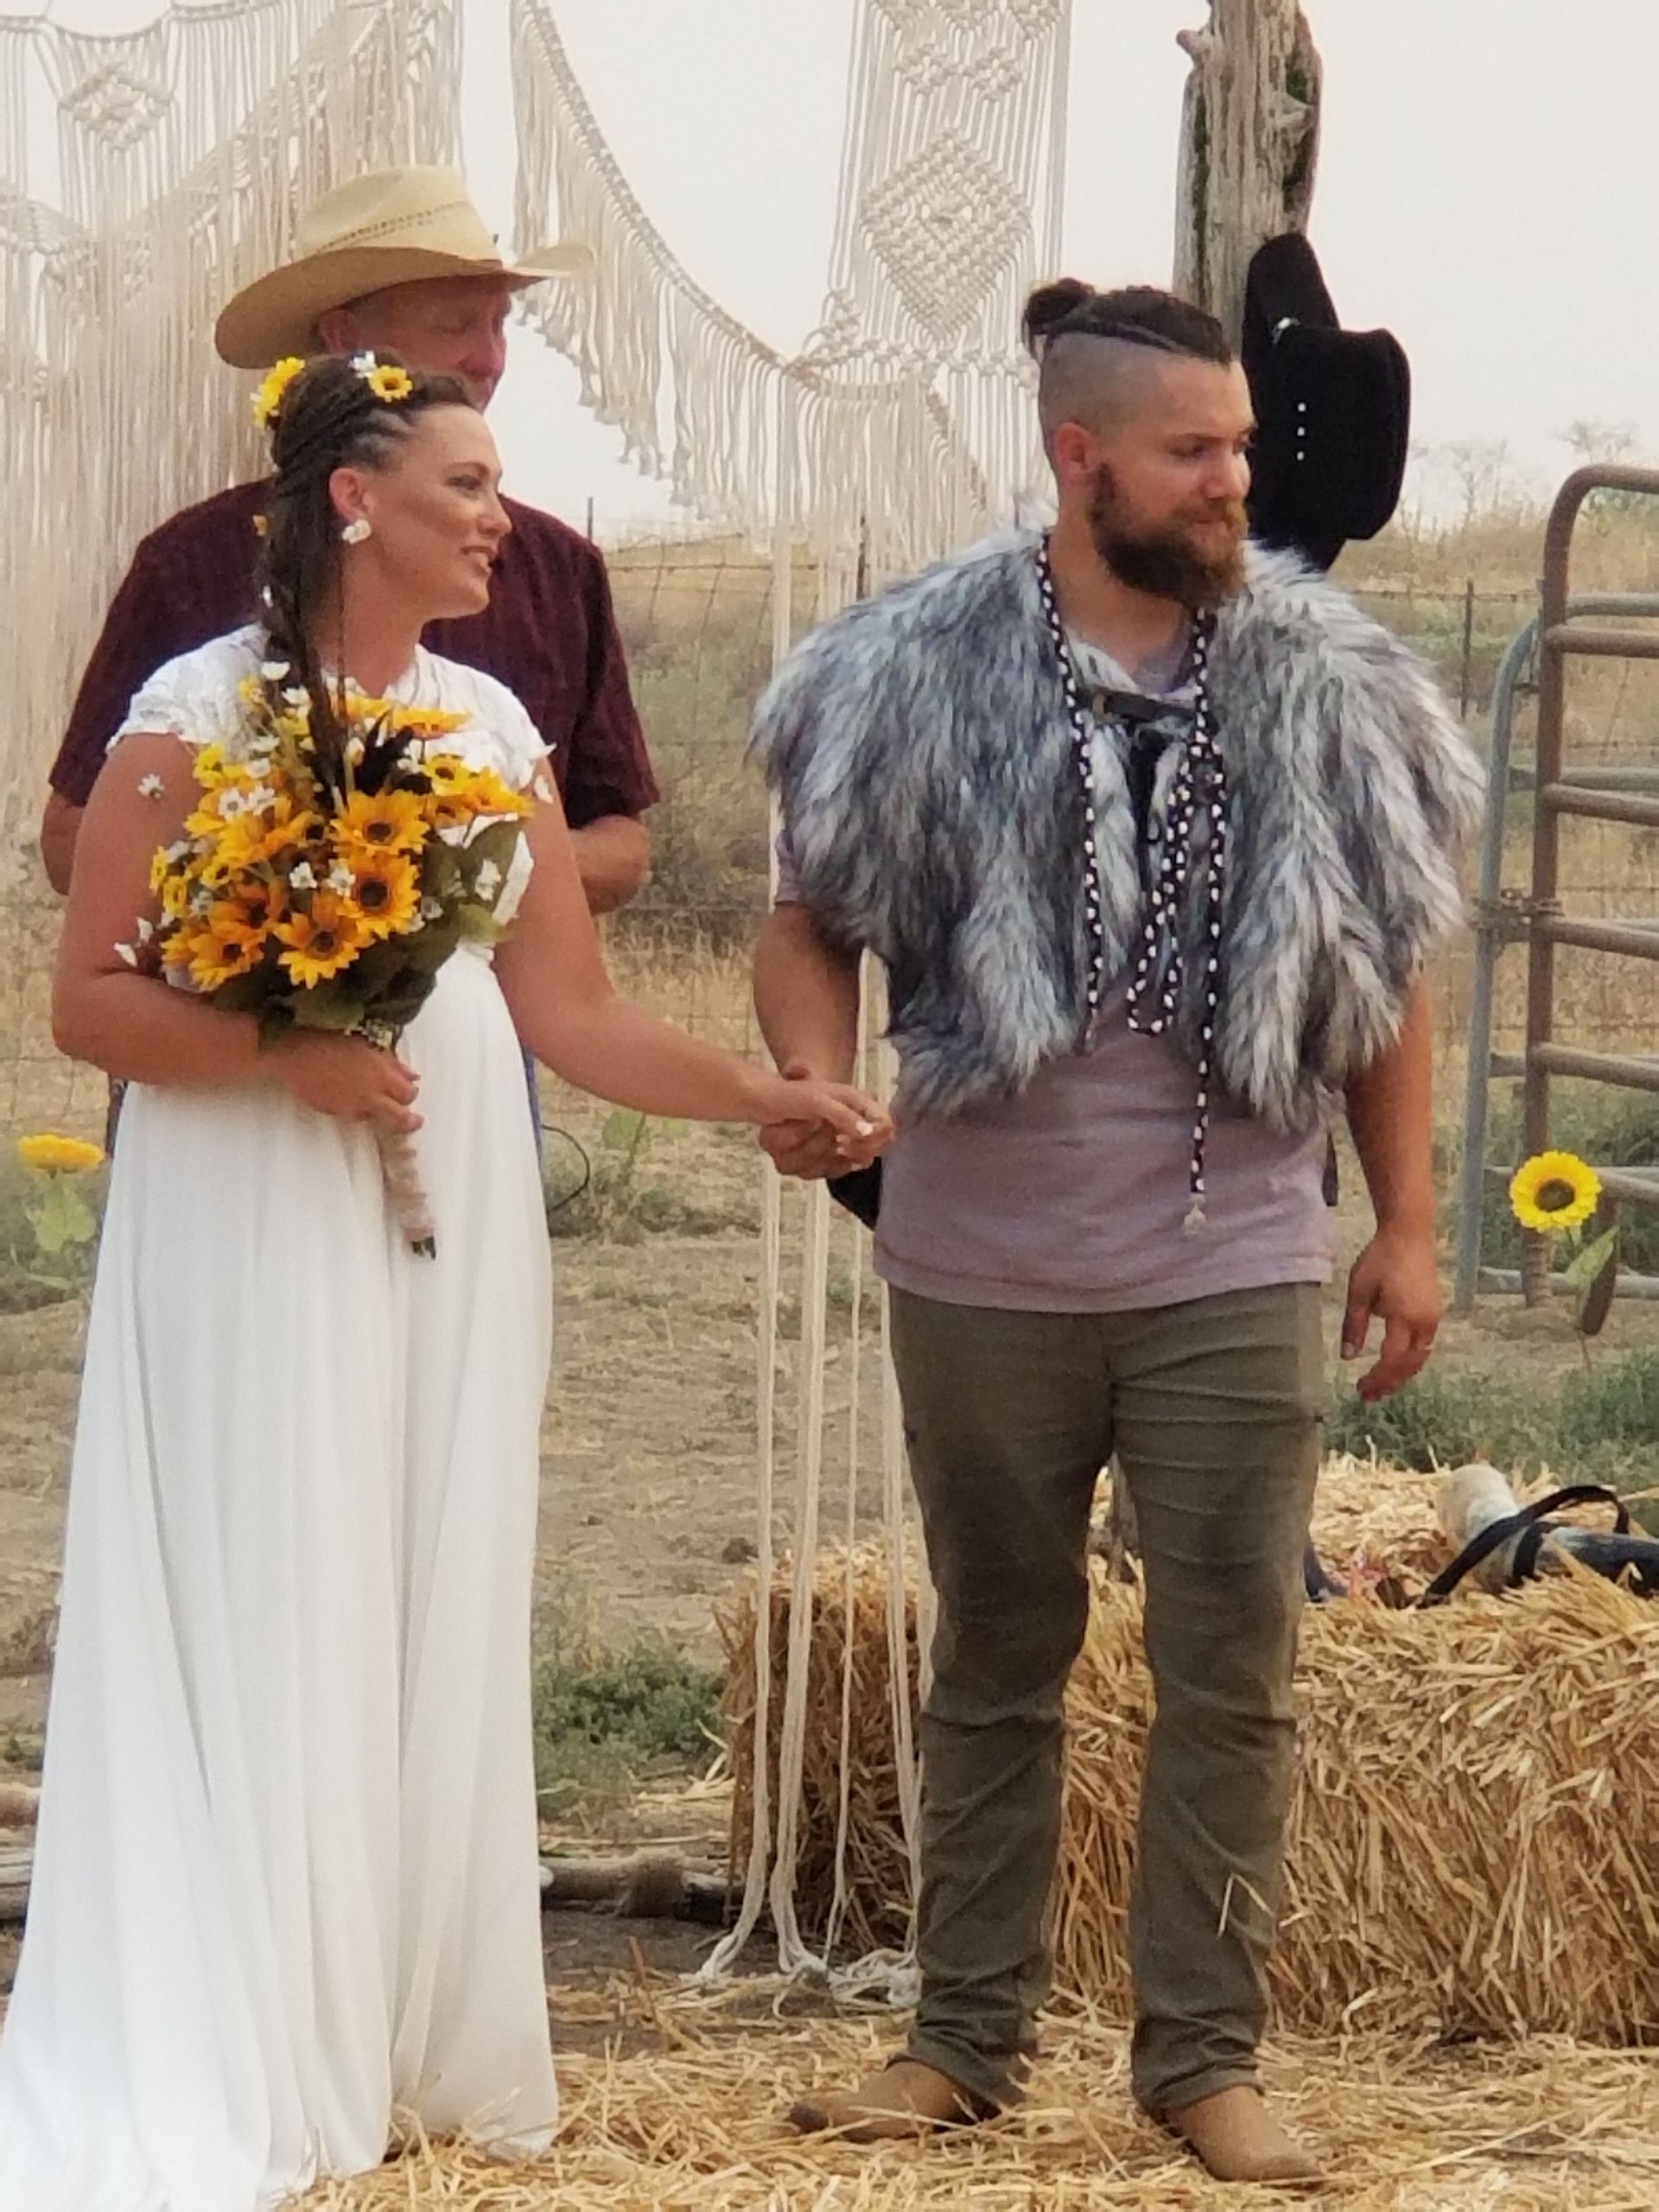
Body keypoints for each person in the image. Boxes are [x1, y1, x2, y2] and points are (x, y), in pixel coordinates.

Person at [0, 351, 889, 2211]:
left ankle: (408, 2021)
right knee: (280, 1556)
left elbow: (565, 1007)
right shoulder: (198, 710)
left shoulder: (491, 722)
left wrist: (763, 1096)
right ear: (355, 500)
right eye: (468, 482)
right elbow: (91, 998)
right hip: (253, 1190)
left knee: (424, 1555)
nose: (500, 516)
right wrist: (283, 1057)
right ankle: (247, 2022)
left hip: (458, 1190)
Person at [749, 282, 1483, 2187]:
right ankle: (962, 2040)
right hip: (979, 1260)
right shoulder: (913, 666)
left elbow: (1389, 971)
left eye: (1240, 447)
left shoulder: (1323, 677)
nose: (1237, 479)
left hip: (1234, 1256)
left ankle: (1202, 2062)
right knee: (997, 1646)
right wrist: (817, 1072)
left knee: (1232, 1662)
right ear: (1081, 459)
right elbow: (806, 911)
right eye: (1196, 451)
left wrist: (1405, 1225)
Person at [40, 165, 656, 918]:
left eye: (499, 325)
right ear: (344, 338)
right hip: (244, 1022)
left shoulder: (558, 571)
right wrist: (298, 871)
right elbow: (72, 843)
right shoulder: (193, 565)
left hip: (509, 1026)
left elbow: (622, 844)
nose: (489, 359)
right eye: (456, 325)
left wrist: (456, 852)